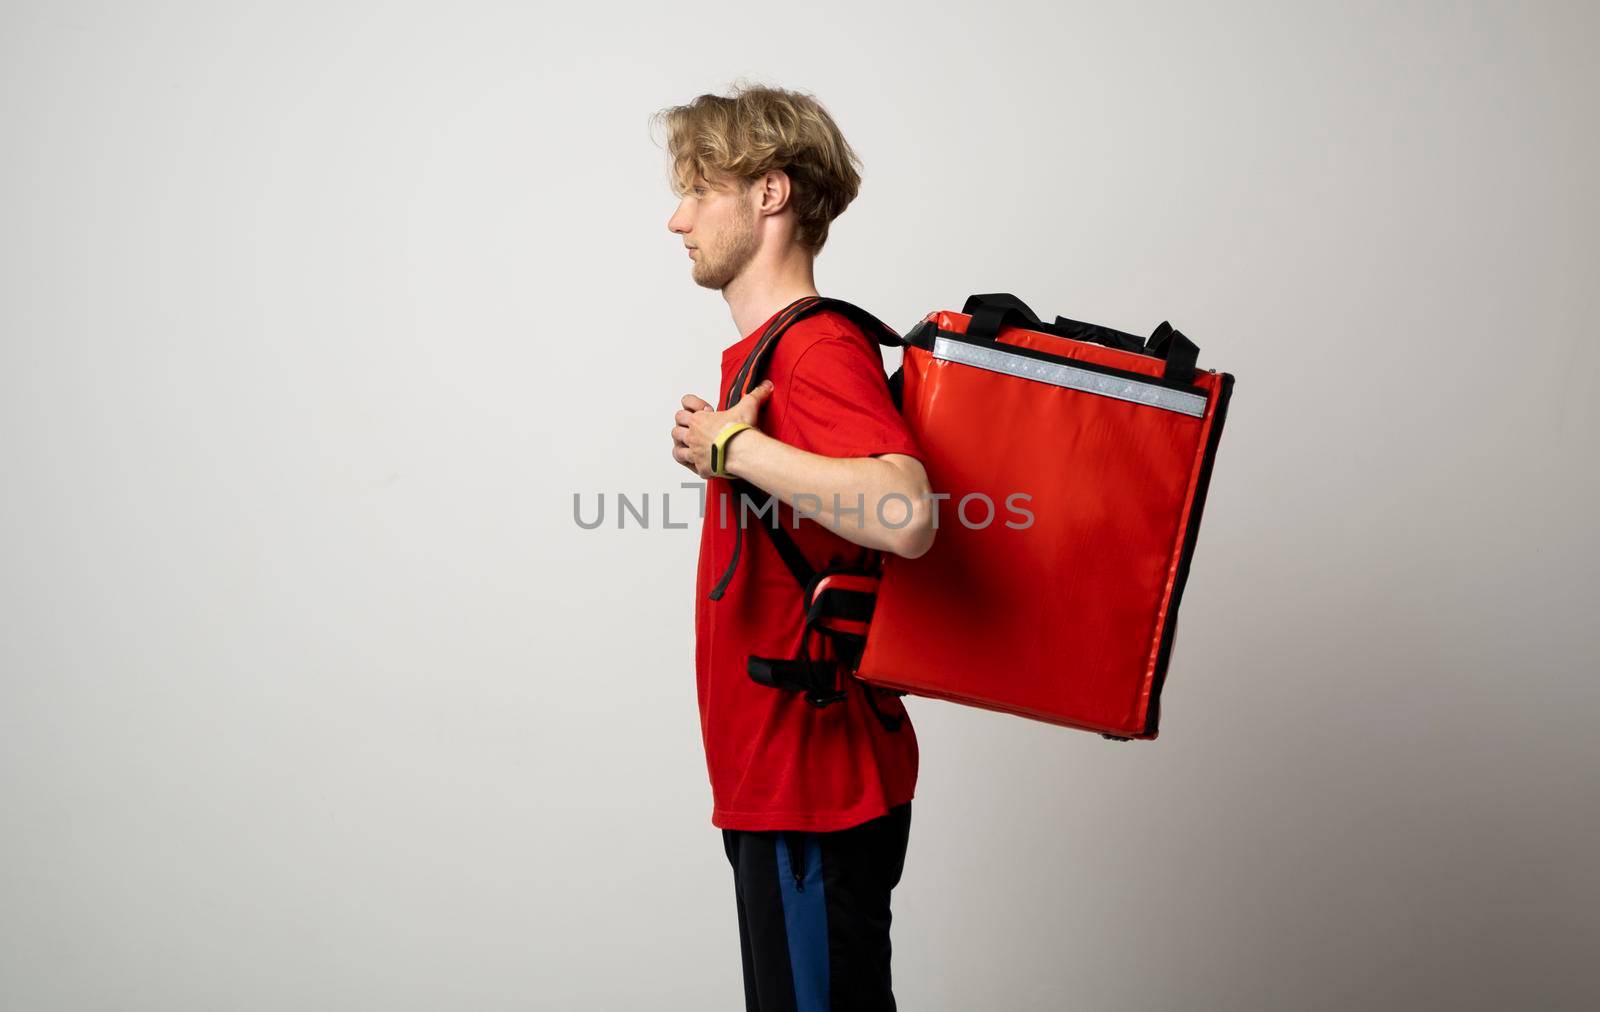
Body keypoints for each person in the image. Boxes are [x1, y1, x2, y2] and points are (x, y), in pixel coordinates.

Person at [655, 84, 937, 1011]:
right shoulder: (767, 354)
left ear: (769, 194)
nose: (677, 217)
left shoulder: (814, 349)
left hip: (809, 789)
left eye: (700, 187)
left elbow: (906, 513)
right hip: (779, 784)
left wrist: (737, 447)